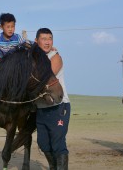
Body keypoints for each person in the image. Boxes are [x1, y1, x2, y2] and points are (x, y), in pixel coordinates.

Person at [35, 28, 70, 170]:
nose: (47, 42)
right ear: (37, 41)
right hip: (41, 108)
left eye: (50, 39)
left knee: (58, 144)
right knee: (43, 144)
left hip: (59, 107)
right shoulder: (34, 59)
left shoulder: (55, 57)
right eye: (43, 39)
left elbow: (45, 76)